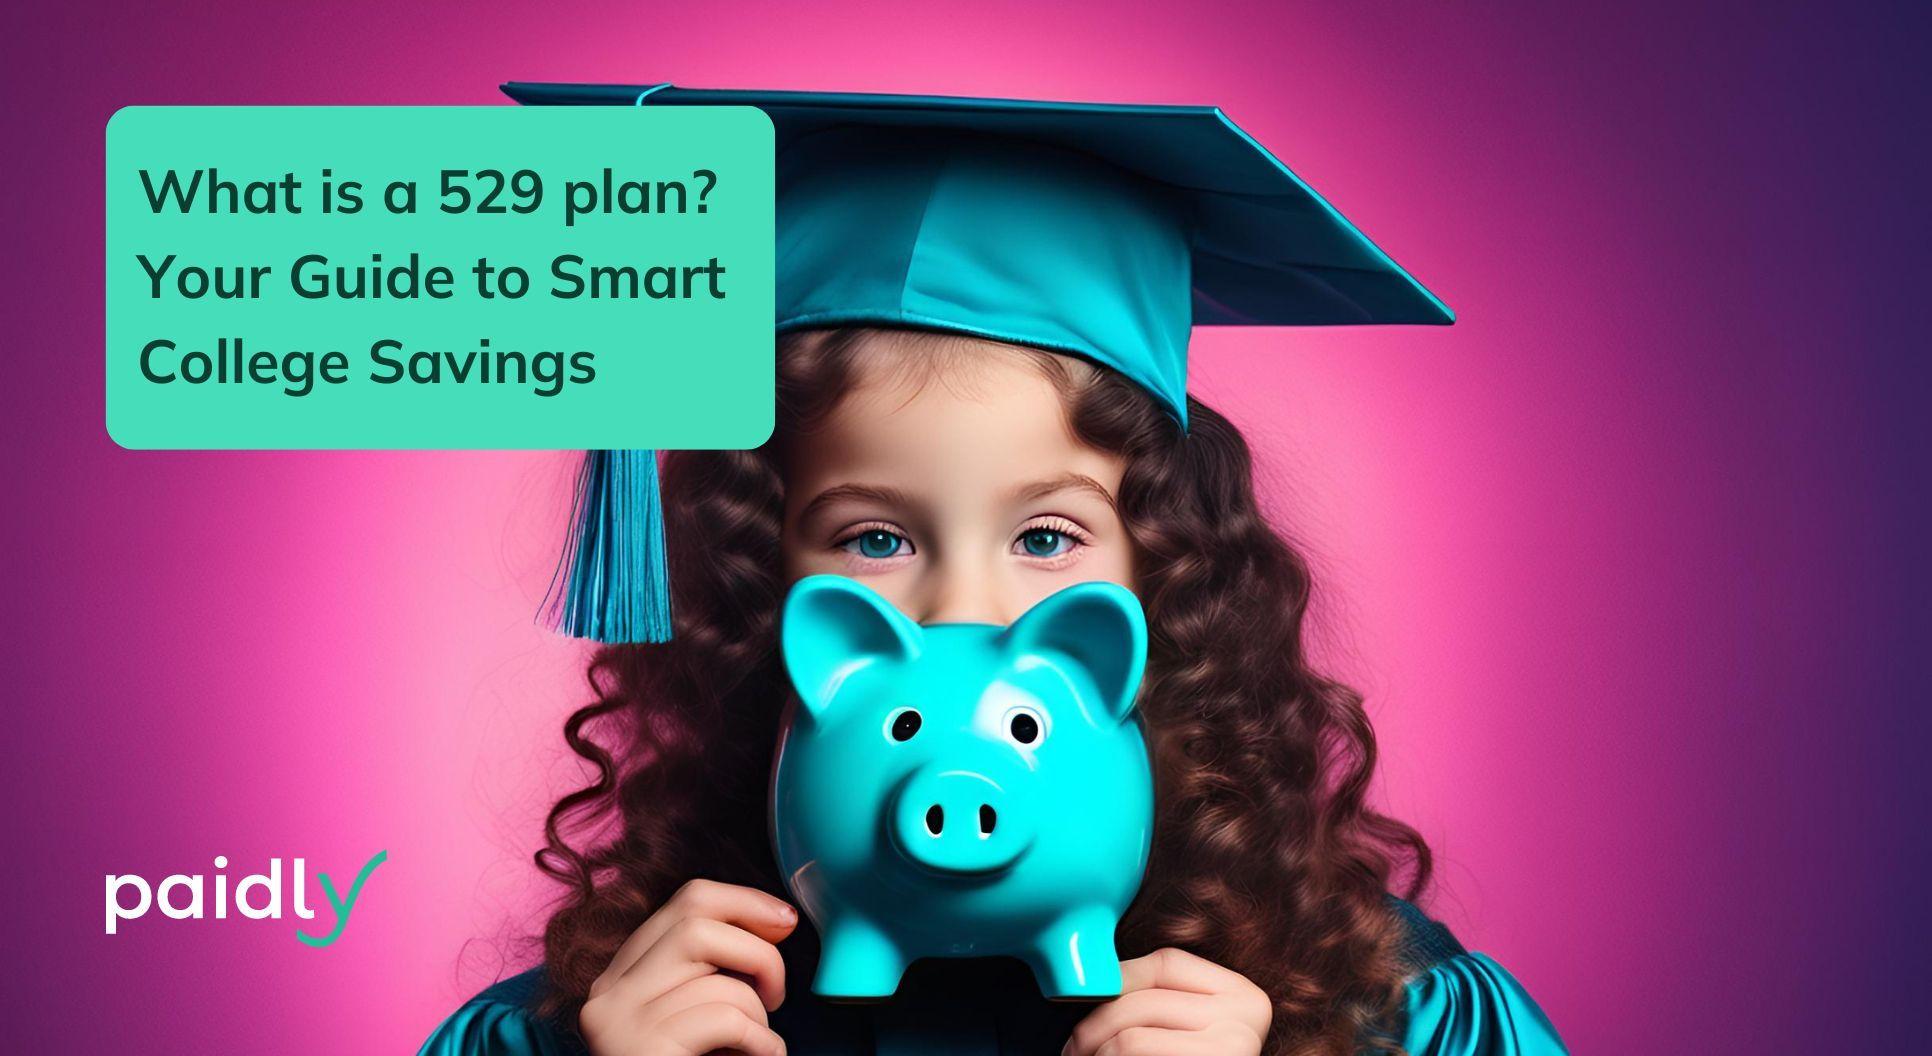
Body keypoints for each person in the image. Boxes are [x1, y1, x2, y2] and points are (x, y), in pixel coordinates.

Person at [420, 82, 1568, 1056]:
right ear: (767, 582)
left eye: (1046, 539)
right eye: (877, 540)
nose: (962, 611)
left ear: (1154, 585)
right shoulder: (633, 1010)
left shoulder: (1373, 1011)